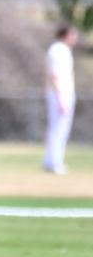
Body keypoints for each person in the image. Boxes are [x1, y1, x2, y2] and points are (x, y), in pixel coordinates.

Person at [43, 24, 78, 175]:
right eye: (73, 35)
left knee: (61, 129)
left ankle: (52, 160)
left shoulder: (65, 50)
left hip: (65, 93)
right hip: (59, 94)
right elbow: (54, 75)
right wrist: (61, 97)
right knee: (58, 128)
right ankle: (54, 162)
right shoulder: (57, 50)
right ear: (65, 35)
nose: (75, 38)